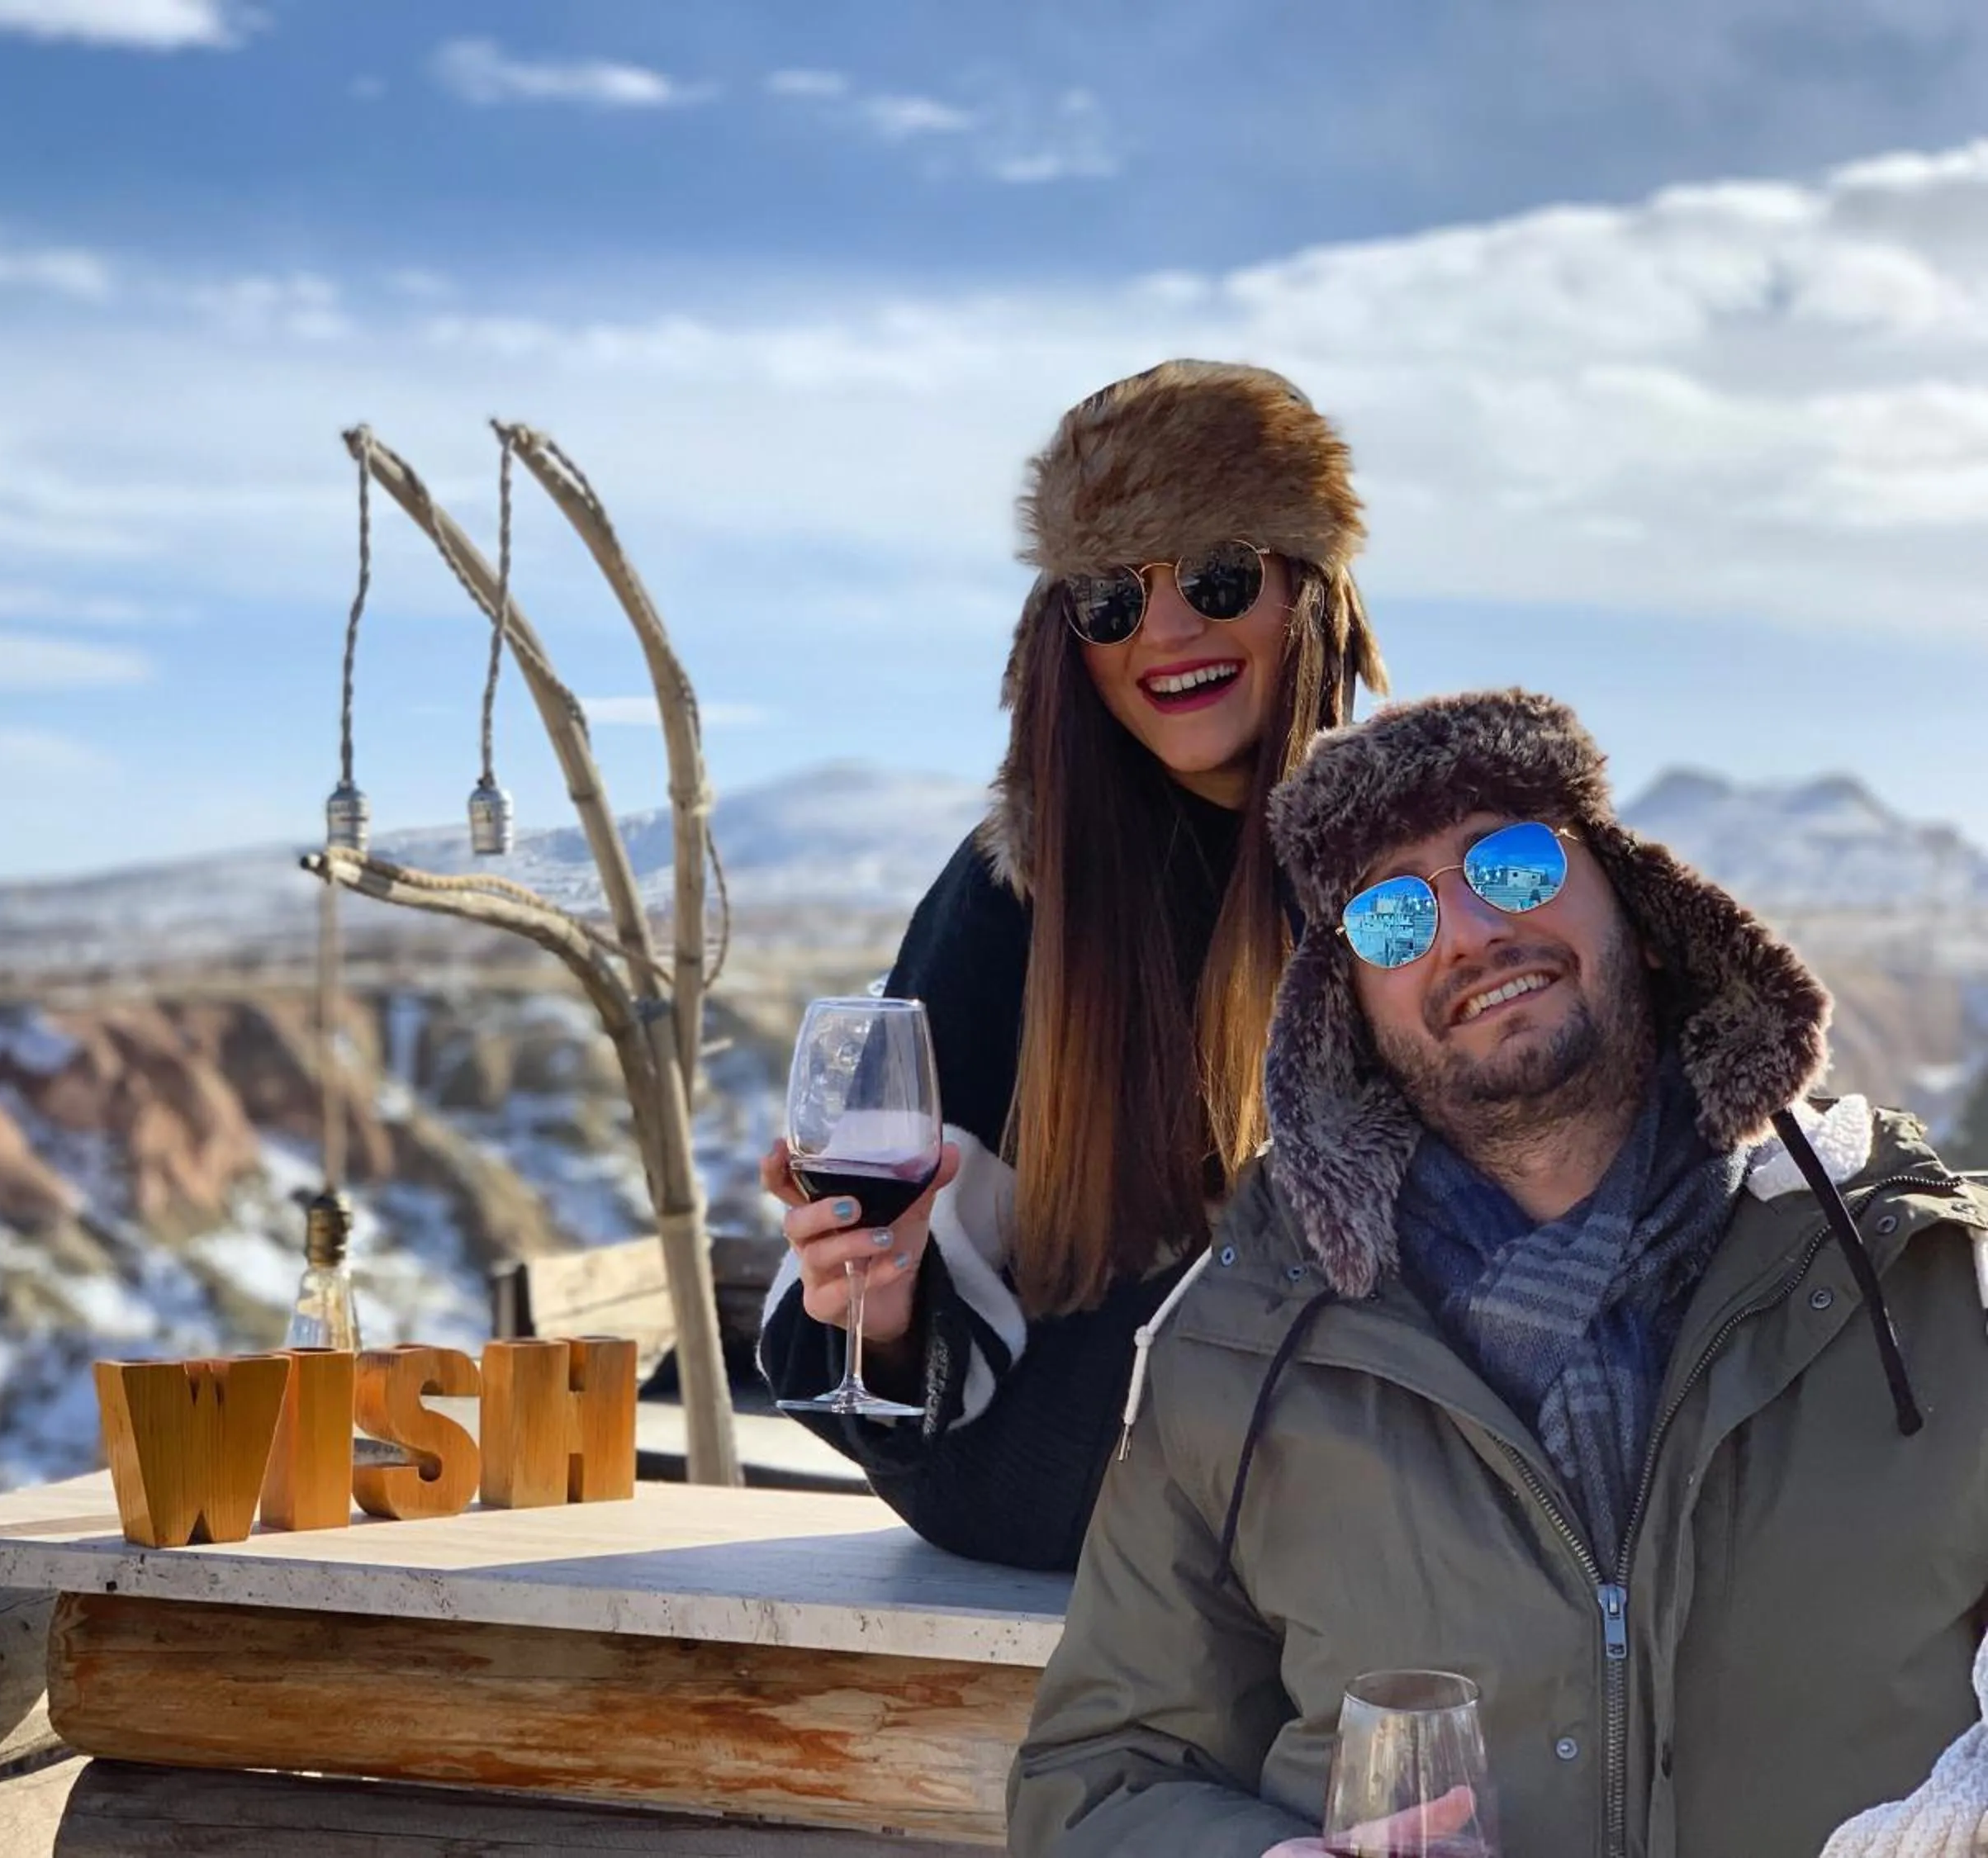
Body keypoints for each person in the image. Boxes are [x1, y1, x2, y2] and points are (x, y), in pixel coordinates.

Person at [1008, 688, 1988, 1856]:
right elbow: (1098, 1778)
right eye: (1390, 915)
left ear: (1632, 891)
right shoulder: (1244, 1346)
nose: (1466, 933)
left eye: (1513, 862)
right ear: (1346, 1005)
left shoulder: (1923, 1278)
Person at [757, 361, 1389, 1570]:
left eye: (1214, 575)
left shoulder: (1414, 867)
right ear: (1065, 638)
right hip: (1070, 1516)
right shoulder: (1020, 895)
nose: (1164, 631)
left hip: (1390, 1527)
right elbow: (910, 1318)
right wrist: (879, 1310)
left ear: (1309, 589)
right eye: (1107, 596)